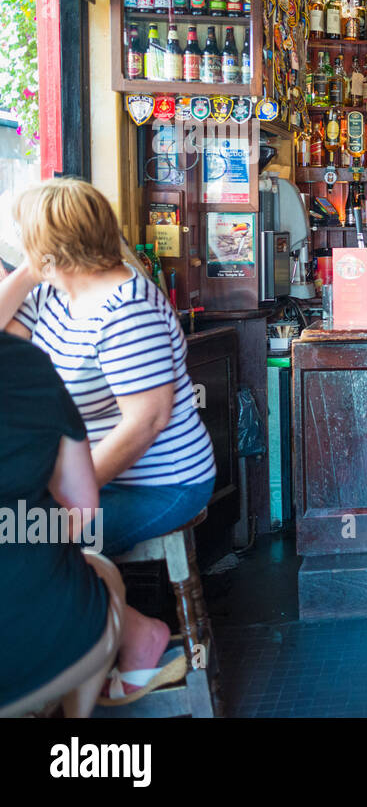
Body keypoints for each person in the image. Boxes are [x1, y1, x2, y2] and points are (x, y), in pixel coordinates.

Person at [0, 178, 215, 557]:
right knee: (15, 527)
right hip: (95, 479)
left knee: (24, 540)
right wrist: (32, 269)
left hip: (158, 485)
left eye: (29, 243)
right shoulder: (53, 292)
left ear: (55, 250)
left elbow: (145, 422)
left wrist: (65, 494)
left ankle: (118, 617)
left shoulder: (128, 311)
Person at [0, 331, 184, 712]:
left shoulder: (125, 305)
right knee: (93, 563)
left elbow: (151, 417)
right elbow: (81, 506)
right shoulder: (25, 359)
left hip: (169, 485)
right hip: (60, 636)